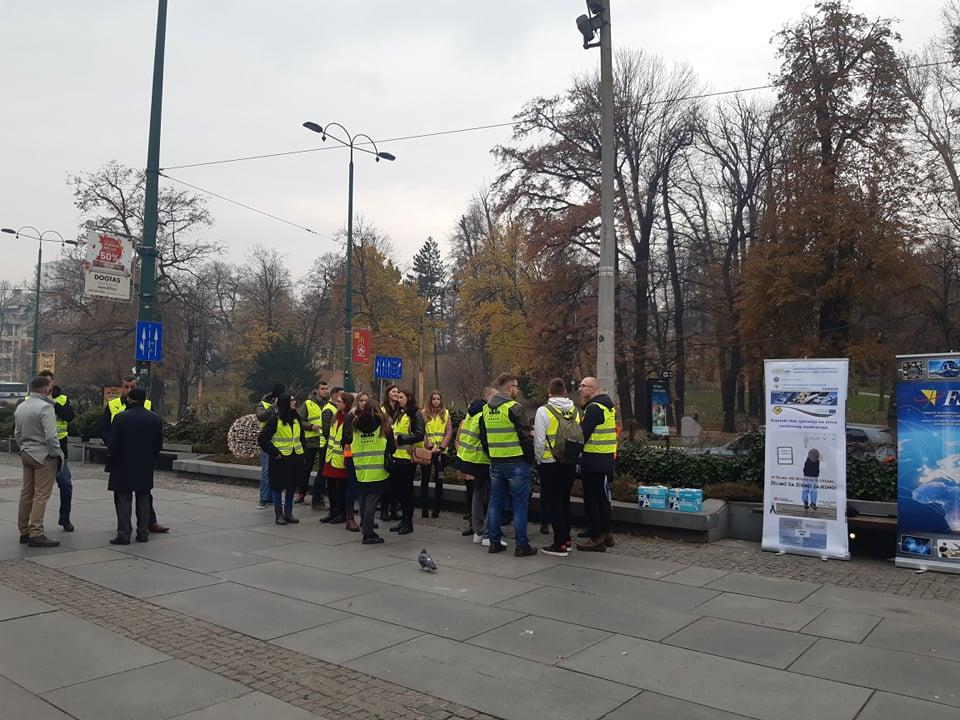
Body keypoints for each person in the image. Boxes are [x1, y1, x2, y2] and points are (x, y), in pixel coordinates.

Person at [101, 375, 168, 534]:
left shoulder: (148, 407)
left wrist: (112, 450)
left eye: (132, 386)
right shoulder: (113, 406)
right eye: (126, 386)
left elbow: (154, 435)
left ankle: (130, 530)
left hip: (125, 460)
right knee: (142, 494)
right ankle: (143, 530)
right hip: (139, 460)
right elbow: (104, 428)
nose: (129, 389)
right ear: (122, 387)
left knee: (132, 496)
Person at [479, 373, 537, 557]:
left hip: (496, 462)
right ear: (510, 387)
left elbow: (484, 438)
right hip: (516, 462)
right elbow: (525, 437)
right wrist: (530, 458)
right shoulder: (515, 408)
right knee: (519, 505)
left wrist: (492, 455)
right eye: (516, 387)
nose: (517, 390)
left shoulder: (487, 409)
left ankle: (494, 542)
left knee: (495, 502)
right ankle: (521, 546)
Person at [14, 375, 63, 547]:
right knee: (41, 494)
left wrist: (22, 448)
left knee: (26, 493)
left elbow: (17, 434)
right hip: (43, 455)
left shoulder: (21, 406)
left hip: (26, 452)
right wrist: (55, 453)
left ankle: (24, 530)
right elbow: (51, 435)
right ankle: (36, 532)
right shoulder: (46, 407)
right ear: (46, 389)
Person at [535, 377, 579, 557]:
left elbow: (539, 440)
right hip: (569, 461)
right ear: (565, 391)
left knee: (554, 503)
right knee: (565, 500)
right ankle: (567, 540)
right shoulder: (575, 410)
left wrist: (539, 460)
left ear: (549, 391)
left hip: (549, 461)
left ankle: (559, 543)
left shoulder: (544, 411)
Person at [576, 377, 617, 552]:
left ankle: (596, 538)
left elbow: (583, 434)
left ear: (593, 389)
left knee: (592, 498)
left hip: (593, 458)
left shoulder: (594, 408)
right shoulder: (608, 406)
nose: (580, 389)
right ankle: (605, 532)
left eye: (583, 386)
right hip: (605, 458)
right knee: (601, 497)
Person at [457, 386, 497, 544]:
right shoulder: (484, 413)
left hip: (471, 458)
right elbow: (486, 439)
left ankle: (477, 531)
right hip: (484, 459)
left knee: (477, 494)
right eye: (495, 396)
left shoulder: (471, 412)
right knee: (493, 496)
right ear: (487, 396)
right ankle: (488, 533)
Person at [352, 401, 396, 544]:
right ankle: (368, 533)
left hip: (361, 469)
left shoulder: (356, 424)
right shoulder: (384, 426)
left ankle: (366, 527)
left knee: (363, 499)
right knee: (372, 502)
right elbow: (392, 448)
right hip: (377, 470)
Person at [258, 392, 305, 525]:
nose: (294, 402)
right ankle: (279, 514)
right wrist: (274, 452)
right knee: (277, 487)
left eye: (295, 400)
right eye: (291, 401)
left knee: (291, 486)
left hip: (295, 457)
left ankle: (288, 513)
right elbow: (262, 438)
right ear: (285, 403)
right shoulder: (275, 419)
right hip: (280, 459)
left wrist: (303, 452)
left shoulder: (296, 418)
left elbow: (301, 437)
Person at [39, 369, 76, 532]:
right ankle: (34, 524)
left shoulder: (63, 398)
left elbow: (69, 416)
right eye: (44, 382)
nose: (47, 385)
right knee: (38, 491)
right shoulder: (31, 400)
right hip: (40, 451)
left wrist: (54, 404)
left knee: (66, 485)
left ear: (53, 382)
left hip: (61, 451)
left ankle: (65, 519)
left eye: (49, 381)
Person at [389, 389, 424, 535]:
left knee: (407, 492)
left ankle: (408, 523)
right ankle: (403, 520)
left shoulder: (415, 414)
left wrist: (401, 439)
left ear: (408, 398)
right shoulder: (400, 413)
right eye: (397, 397)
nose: (398, 399)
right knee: (400, 492)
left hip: (408, 458)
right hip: (398, 456)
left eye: (401, 397)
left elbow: (419, 434)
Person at [297, 380, 335, 507]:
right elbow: (300, 421)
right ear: (316, 390)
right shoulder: (308, 404)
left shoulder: (329, 405)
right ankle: (301, 493)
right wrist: (310, 426)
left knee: (322, 470)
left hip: (324, 441)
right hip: (311, 441)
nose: (325, 391)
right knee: (306, 468)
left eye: (326, 388)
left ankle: (319, 495)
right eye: (323, 389)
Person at [319, 391, 353, 524]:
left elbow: (349, 442)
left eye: (340, 402)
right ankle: (333, 511)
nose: (337, 403)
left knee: (342, 489)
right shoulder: (336, 417)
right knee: (331, 488)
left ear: (346, 404)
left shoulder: (350, 419)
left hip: (342, 459)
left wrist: (348, 459)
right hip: (331, 458)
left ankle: (342, 513)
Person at [420, 390, 452, 518]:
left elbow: (449, 432)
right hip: (427, 450)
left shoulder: (446, 414)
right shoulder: (423, 413)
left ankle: (437, 508)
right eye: (434, 399)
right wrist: (428, 445)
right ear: (430, 400)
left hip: (440, 451)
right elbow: (422, 431)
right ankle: (425, 508)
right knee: (425, 478)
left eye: (438, 399)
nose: (436, 401)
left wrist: (442, 446)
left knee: (439, 479)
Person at [255, 384, 285, 508]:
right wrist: (273, 407)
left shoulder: (283, 405)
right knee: (266, 471)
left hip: (279, 441)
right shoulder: (264, 404)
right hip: (266, 441)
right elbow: (260, 417)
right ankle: (263, 498)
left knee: (276, 471)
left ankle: (272, 497)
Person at [379, 384, 402, 522]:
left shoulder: (401, 410)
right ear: (388, 394)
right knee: (385, 481)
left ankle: (394, 509)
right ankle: (384, 510)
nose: (396, 393)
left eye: (398, 391)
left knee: (396, 482)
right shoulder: (382, 409)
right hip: (386, 447)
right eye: (394, 391)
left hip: (399, 447)